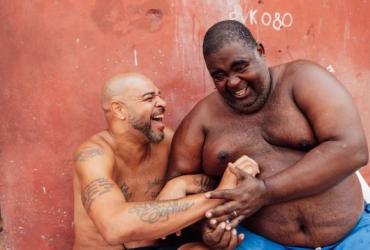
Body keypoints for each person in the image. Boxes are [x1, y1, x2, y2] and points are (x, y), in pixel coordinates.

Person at [167, 20, 370, 249]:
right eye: (219, 75)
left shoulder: (303, 79)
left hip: (352, 235)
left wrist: (265, 192)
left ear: (260, 51)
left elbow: (353, 149)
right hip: (260, 242)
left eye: (241, 66)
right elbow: (175, 198)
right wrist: (205, 230)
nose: (233, 82)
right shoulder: (200, 122)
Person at [72, 72, 259, 250]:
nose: (162, 103)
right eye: (149, 98)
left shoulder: (166, 140)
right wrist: (218, 196)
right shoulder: (93, 155)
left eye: (159, 96)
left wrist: (181, 183)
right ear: (119, 110)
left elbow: (212, 181)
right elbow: (114, 228)